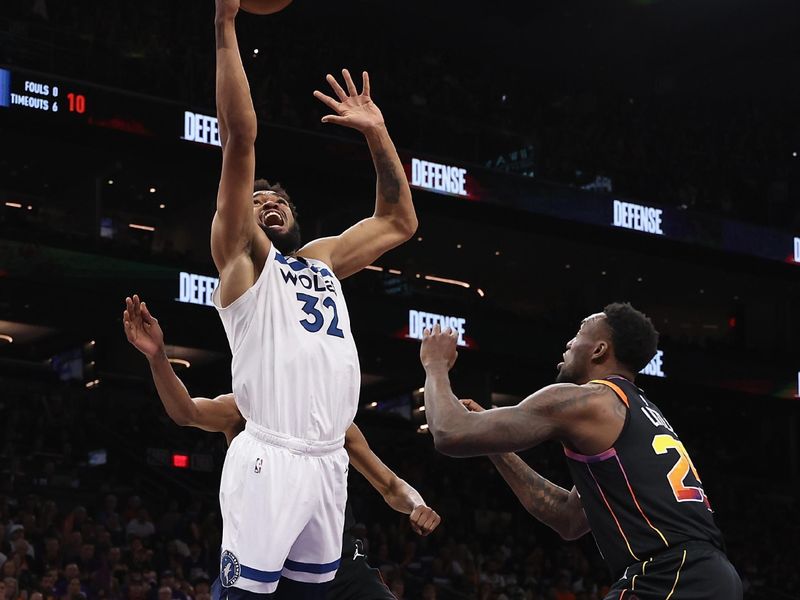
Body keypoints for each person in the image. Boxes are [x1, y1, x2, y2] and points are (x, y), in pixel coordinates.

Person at [210, 0, 417, 595]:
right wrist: (225, 26)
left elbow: (399, 221)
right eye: (257, 200)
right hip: (269, 457)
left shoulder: (323, 259)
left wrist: (377, 134)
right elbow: (240, 137)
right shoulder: (244, 261)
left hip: (329, 459)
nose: (268, 201)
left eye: (279, 199)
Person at [123, 296, 439, 599]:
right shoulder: (245, 410)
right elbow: (185, 412)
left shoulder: (334, 421)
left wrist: (417, 504)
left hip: (335, 560)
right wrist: (158, 357)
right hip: (268, 558)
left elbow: (390, 485)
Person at [420, 303, 742, 599]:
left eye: (577, 336)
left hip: (670, 574)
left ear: (599, 350)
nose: (569, 344)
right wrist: (496, 449)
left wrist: (435, 365)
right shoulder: (638, 410)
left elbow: (449, 432)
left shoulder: (588, 400)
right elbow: (569, 518)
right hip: (709, 575)